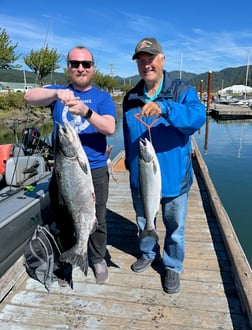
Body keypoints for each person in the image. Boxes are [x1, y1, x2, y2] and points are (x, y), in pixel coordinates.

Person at [24, 45, 116, 285]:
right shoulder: (59, 92)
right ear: (68, 67)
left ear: (93, 68)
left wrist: (86, 111)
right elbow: (28, 97)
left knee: (98, 218)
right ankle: (67, 261)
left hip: (93, 169)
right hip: (64, 170)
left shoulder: (102, 98)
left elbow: (110, 128)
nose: (80, 68)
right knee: (64, 216)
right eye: (75, 63)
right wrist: (55, 95)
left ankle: (96, 258)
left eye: (86, 64)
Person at [122, 37, 205, 294]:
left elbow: (197, 118)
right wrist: (129, 164)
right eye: (141, 61)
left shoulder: (181, 91)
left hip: (174, 177)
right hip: (142, 175)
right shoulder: (131, 97)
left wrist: (166, 108)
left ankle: (172, 265)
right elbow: (127, 133)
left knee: (175, 227)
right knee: (143, 219)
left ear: (162, 59)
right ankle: (148, 252)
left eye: (151, 59)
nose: (147, 65)